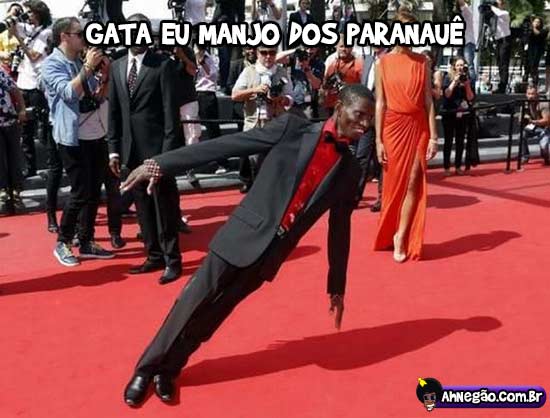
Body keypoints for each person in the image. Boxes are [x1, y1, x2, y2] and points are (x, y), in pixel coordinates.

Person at [120, 84, 374, 407]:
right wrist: (161, 164)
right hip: (241, 234)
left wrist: (336, 286)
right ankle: (145, 370)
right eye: (359, 115)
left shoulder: (350, 169)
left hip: (272, 254)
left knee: (215, 314)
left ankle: (170, 369)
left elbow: (340, 228)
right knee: (191, 302)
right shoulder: (292, 127)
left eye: (370, 119)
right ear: (339, 108)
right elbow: (229, 144)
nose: (365, 125)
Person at [108, 13, 183, 284]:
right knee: (142, 207)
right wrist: (113, 149)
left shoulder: (162, 65)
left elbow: (171, 115)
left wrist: (166, 156)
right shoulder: (117, 66)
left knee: (164, 205)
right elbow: (114, 111)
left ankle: (173, 260)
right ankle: (153, 255)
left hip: (157, 151)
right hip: (129, 151)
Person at [41, 17, 115, 266]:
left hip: (95, 132)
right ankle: (63, 242)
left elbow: (97, 97)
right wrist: (88, 67)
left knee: (94, 190)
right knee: (80, 190)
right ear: (64, 36)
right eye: (80, 33)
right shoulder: (52, 64)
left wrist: (105, 75)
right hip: (71, 137)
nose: (85, 38)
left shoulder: (80, 62)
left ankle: (86, 239)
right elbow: (68, 93)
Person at [373, 8, 438, 263]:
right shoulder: (382, 62)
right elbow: (380, 103)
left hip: (418, 126)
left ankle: (401, 234)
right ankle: (390, 230)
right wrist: (378, 140)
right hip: (392, 127)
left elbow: (428, 101)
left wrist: (433, 136)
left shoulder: (423, 62)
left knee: (413, 181)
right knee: (393, 184)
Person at [231, 45, 293, 192]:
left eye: (272, 53)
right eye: (264, 53)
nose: (268, 56)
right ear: (257, 53)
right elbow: (235, 95)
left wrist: (282, 99)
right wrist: (255, 90)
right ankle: (256, 191)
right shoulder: (249, 71)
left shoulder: (282, 72)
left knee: (276, 161)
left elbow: (291, 97)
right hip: (255, 123)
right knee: (255, 162)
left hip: (276, 123)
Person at [14, 0, 52, 178]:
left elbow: (34, 56)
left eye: (30, 12)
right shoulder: (29, 29)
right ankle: (30, 167)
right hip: (22, 82)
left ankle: (52, 164)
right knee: (25, 128)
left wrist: (18, 39)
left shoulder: (46, 32)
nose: (27, 15)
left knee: (44, 125)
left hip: (37, 85)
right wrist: (14, 16)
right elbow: (10, 25)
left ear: (39, 13)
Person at [441, 56, 475, 176]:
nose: (460, 67)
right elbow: (447, 94)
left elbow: (470, 97)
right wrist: (454, 82)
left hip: (462, 113)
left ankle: (458, 166)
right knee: (448, 141)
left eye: (462, 65)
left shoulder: (467, 78)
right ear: (454, 67)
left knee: (460, 141)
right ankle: (446, 167)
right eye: (458, 65)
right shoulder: (447, 77)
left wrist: (467, 85)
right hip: (449, 113)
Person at [0, 66, 26, 213]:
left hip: (9, 120)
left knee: (14, 158)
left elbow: (14, 89)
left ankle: (16, 191)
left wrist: (22, 109)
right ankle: (3, 191)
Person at [322, 35, 363, 115]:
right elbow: (324, 84)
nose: (344, 49)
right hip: (332, 105)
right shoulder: (332, 62)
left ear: (352, 48)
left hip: (350, 104)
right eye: (341, 46)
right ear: (336, 47)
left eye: (347, 47)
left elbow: (363, 85)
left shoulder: (358, 63)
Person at [521, 85, 550, 165]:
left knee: (544, 147)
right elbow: (520, 120)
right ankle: (525, 156)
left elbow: (547, 121)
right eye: (529, 94)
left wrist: (532, 121)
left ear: (537, 94)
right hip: (534, 127)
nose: (530, 96)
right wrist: (524, 118)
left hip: (546, 128)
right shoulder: (524, 103)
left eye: (533, 94)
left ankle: (546, 156)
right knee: (522, 135)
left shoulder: (543, 104)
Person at [490, 0, 511, 94]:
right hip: (498, 41)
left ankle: (503, 86)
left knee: (503, 64)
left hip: (505, 40)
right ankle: (501, 85)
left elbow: (498, 12)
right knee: (499, 63)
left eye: (499, 3)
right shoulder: (495, 16)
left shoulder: (505, 13)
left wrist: (491, 6)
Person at [0, 3, 24, 75]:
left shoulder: (23, 33)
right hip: (4, 68)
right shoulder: (2, 33)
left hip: (19, 68)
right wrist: (2, 54)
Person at [524, 17, 547, 86]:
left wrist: (533, 27)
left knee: (534, 66)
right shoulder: (530, 31)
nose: (536, 23)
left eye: (538, 22)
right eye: (535, 21)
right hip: (529, 50)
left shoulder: (543, 31)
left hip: (537, 51)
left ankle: (535, 82)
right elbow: (526, 37)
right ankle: (525, 82)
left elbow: (538, 34)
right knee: (527, 66)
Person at [456, 0, 476, 81]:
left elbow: (462, 3)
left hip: (468, 41)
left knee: (469, 64)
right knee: (459, 64)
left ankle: (472, 85)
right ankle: (460, 83)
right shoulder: (460, 13)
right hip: (461, 42)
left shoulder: (468, 10)